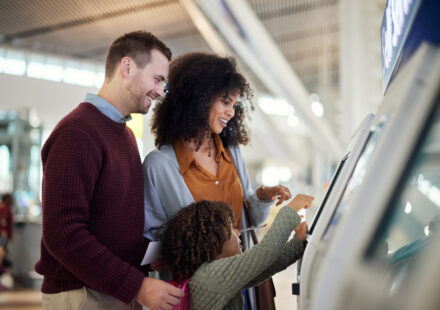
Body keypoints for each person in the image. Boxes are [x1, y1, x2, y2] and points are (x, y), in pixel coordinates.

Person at [34, 31, 183, 310]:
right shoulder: (77, 133)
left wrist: (144, 254)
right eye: (157, 79)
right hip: (82, 294)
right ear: (127, 67)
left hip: (112, 291)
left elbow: (108, 223)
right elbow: (63, 233)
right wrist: (136, 285)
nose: (161, 92)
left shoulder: (124, 134)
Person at [143, 52, 292, 244]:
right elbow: (152, 237)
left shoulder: (232, 152)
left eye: (234, 105)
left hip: (242, 272)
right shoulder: (158, 165)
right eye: (225, 102)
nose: (231, 112)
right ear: (199, 98)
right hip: (196, 275)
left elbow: (248, 220)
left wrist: (263, 197)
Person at [161, 194, 313, 310]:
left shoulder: (204, 275)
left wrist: (297, 243)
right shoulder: (210, 276)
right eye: (230, 228)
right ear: (213, 241)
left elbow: (265, 267)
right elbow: (265, 252)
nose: (238, 232)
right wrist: (292, 208)